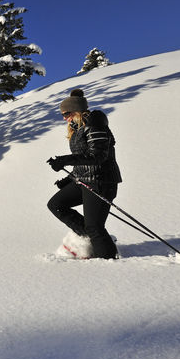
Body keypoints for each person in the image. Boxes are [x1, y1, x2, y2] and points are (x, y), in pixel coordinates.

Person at [46, 88, 122, 259]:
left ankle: (109, 259)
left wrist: (65, 160)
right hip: (84, 180)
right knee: (56, 204)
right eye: (62, 115)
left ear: (77, 111)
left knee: (95, 226)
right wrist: (68, 179)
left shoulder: (95, 124)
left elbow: (98, 156)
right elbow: (83, 160)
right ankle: (89, 237)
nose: (64, 118)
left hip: (101, 181)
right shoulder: (77, 129)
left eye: (66, 113)